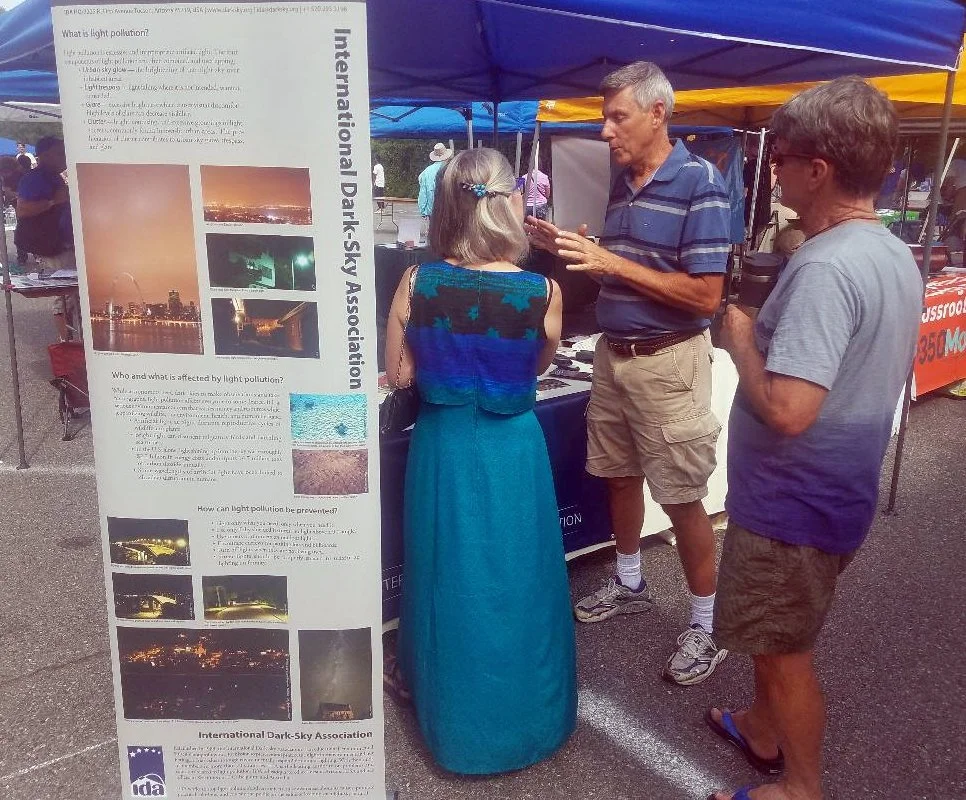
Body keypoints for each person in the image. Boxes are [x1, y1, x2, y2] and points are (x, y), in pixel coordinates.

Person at [709, 77, 922, 800]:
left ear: (819, 169)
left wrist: (741, 336)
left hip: (791, 508)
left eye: (782, 159)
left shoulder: (827, 267)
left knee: (783, 652)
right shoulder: (888, 250)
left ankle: (800, 787)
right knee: (775, 636)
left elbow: (789, 410)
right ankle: (761, 729)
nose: (774, 172)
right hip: (832, 495)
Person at [526, 60, 732, 685]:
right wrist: (574, 251)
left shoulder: (701, 182)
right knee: (618, 476)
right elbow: (628, 269)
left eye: (618, 117)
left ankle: (709, 624)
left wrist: (610, 262)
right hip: (614, 356)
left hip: (669, 361)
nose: (606, 131)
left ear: (657, 113)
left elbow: (705, 295)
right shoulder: (625, 182)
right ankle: (631, 582)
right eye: (604, 118)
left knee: (681, 496)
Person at [385, 147, 575, 774]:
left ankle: (446, 709)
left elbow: (399, 374)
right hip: (512, 448)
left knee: (443, 570)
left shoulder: (418, 282)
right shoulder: (543, 291)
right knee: (520, 576)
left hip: (443, 445)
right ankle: (528, 717)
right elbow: (537, 367)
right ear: (510, 202)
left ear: (446, 206)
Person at [15, 137, 79, 341]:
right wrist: (53, 201)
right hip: (54, 247)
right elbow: (22, 209)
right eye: (59, 153)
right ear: (44, 155)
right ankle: (67, 343)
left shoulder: (54, 176)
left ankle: (73, 341)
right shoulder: (35, 178)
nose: (64, 156)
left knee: (72, 295)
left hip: (65, 244)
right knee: (65, 295)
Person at [416, 142, 452, 218]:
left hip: (432, 212)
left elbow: (423, 194)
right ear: (447, 156)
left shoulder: (426, 172)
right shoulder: (451, 169)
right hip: (449, 211)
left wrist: (423, 211)